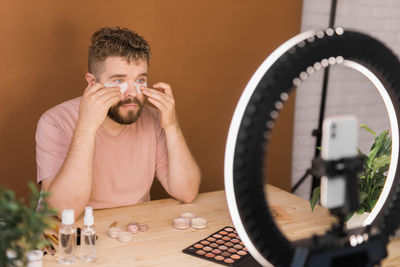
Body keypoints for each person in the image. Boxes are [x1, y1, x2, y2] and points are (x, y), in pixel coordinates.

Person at [35, 27, 201, 219]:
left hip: (133, 233)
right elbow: (65, 211)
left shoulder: (154, 118)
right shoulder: (54, 122)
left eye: (140, 80)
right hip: (75, 237)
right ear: (92, 82)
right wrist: (86, 128)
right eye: (119, 80)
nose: (132, 93)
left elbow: (187, 192)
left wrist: (171, 126)